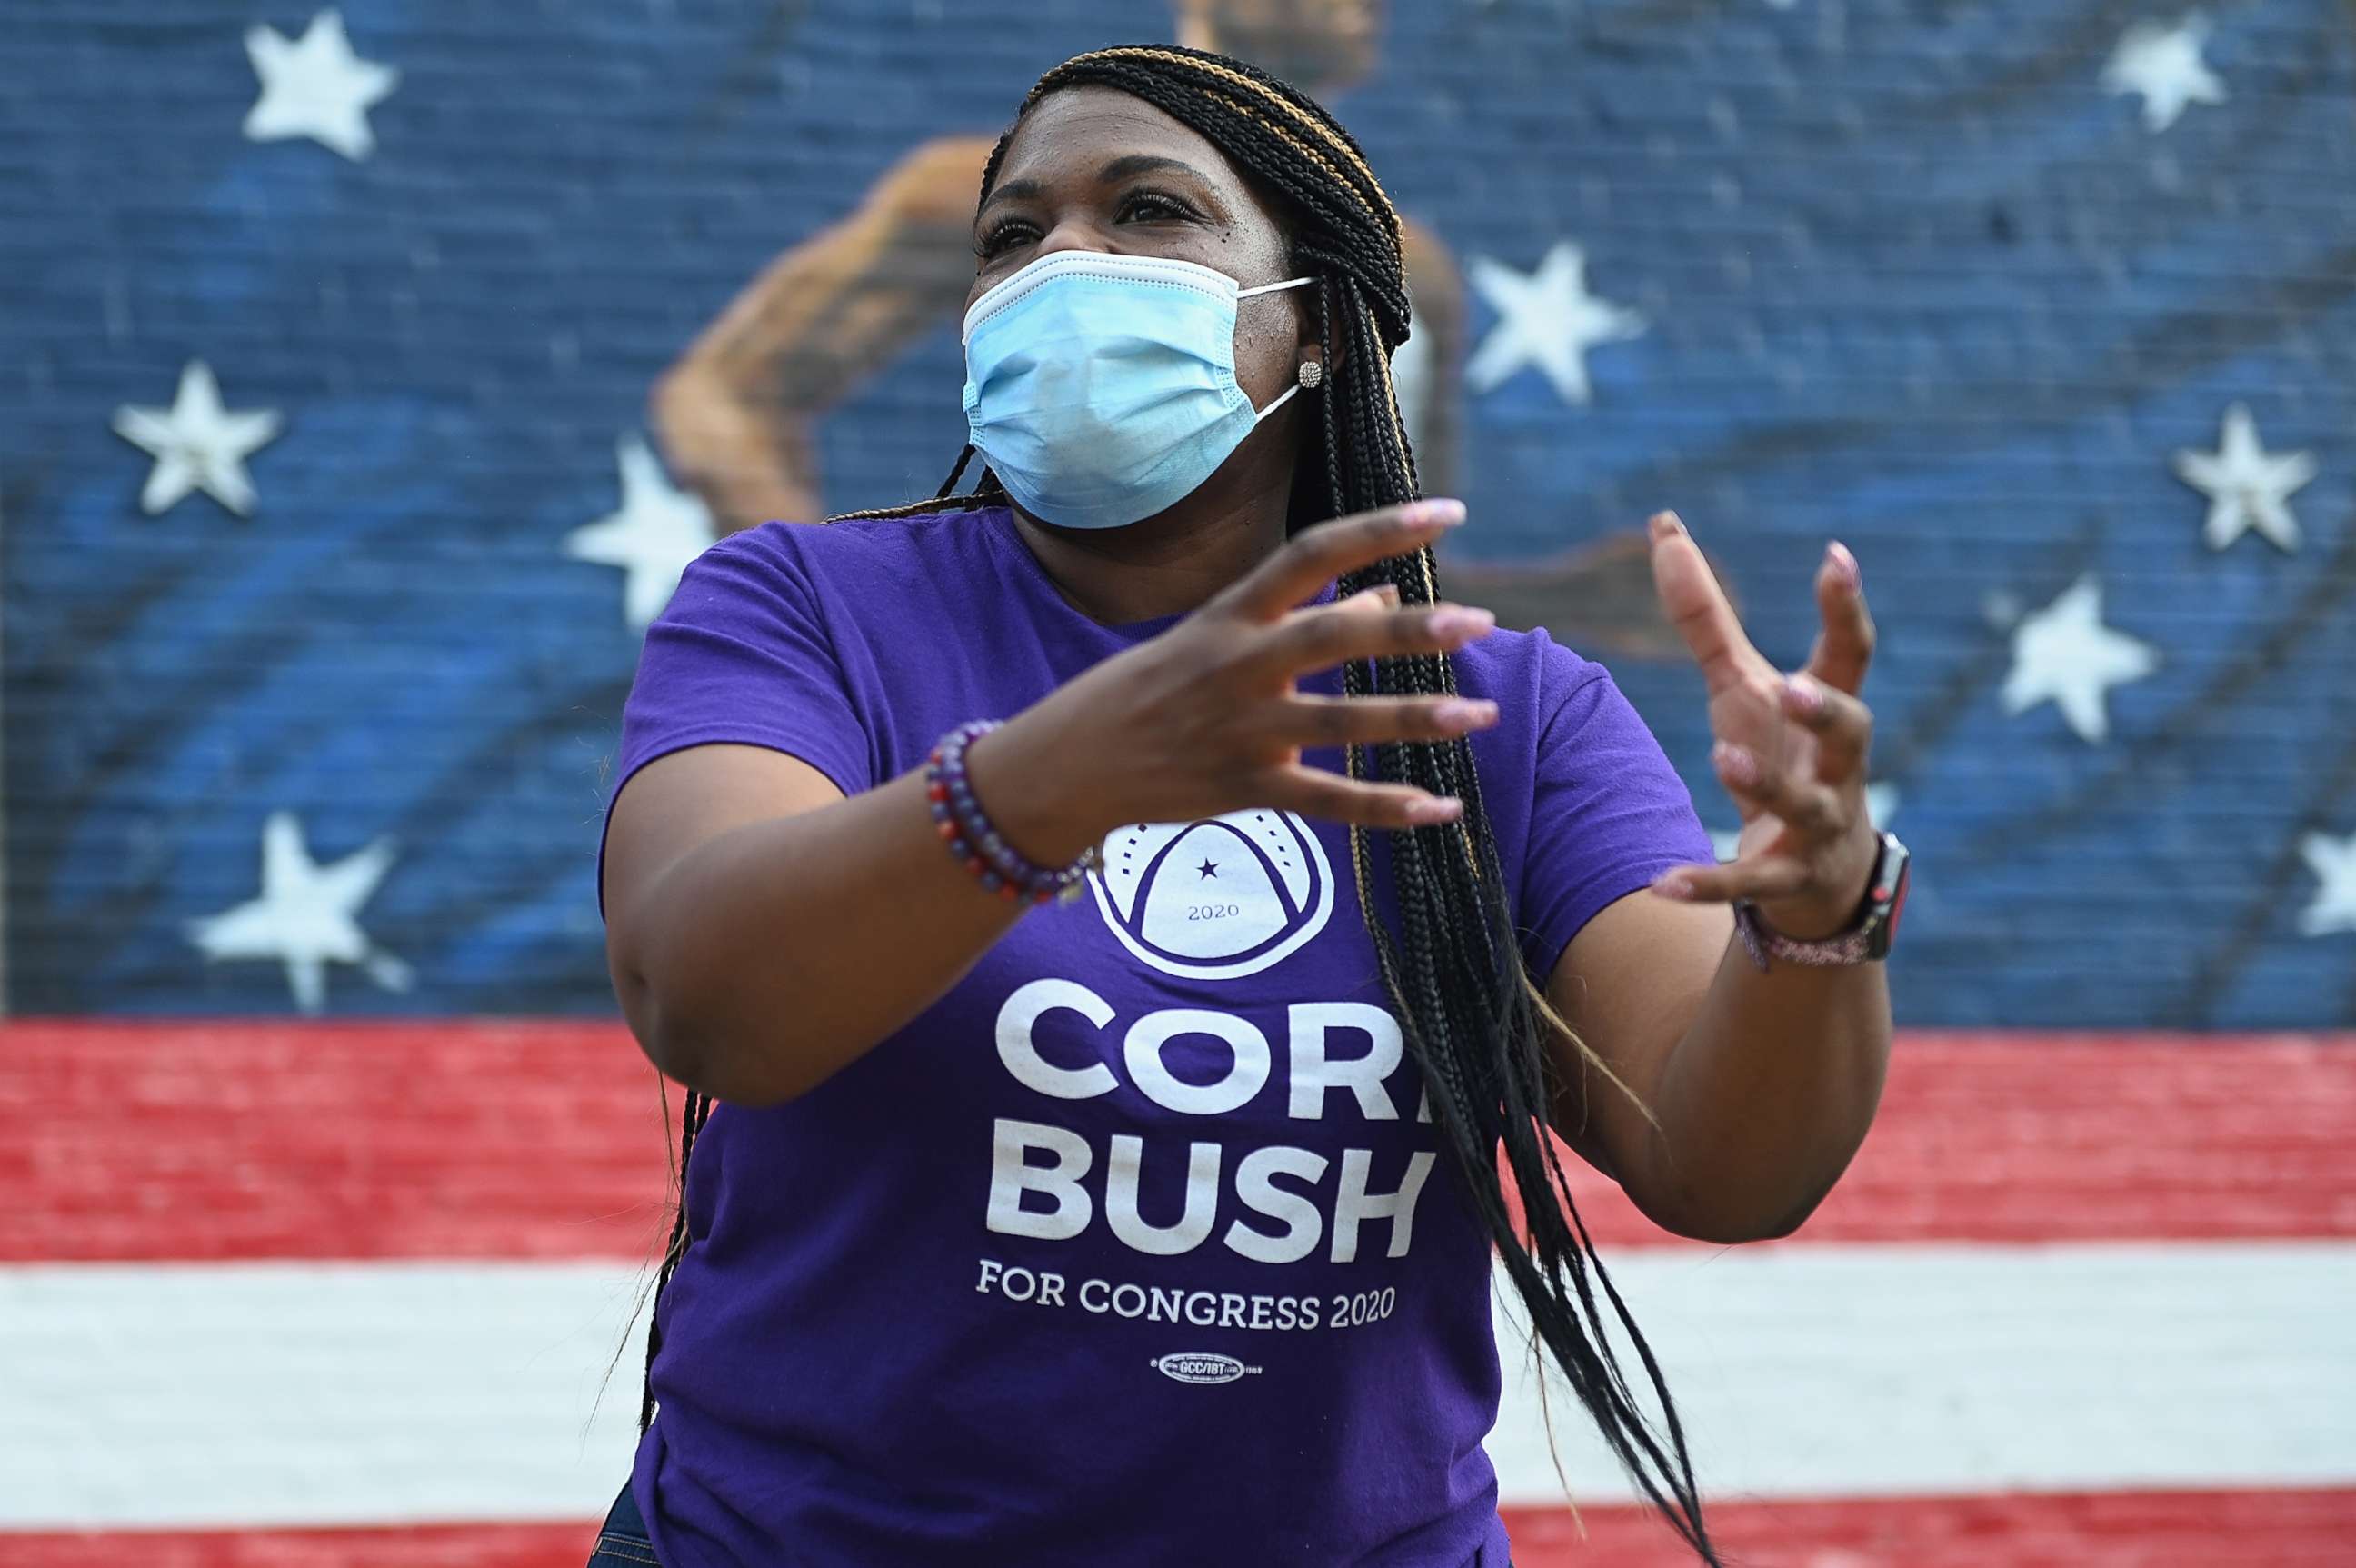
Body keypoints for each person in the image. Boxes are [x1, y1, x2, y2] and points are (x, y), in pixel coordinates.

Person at [592, 43, 1904, 1568]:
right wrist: (1056, 778)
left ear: (1319, 335)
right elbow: (703, 995)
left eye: (1150, 211)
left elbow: (1727, 1162)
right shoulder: (800, 608)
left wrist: (1823, 914)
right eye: (1012, 236)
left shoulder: (1506, 716)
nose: (1060, 263)